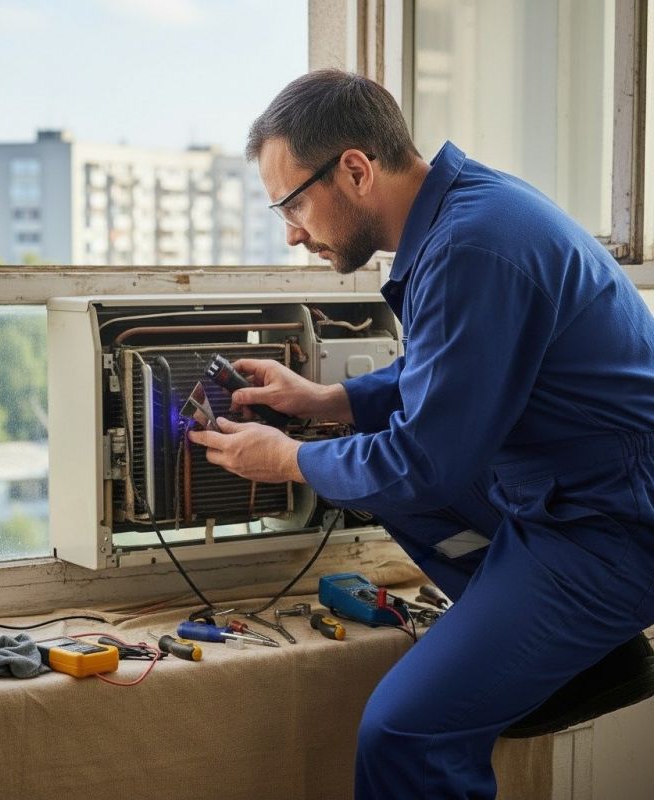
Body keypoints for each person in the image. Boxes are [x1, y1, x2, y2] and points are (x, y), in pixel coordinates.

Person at [188, 69, 654, 799]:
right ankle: (572, 656)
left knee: (405, 731)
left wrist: (291, 459)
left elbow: (427, 461)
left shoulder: (473, 247)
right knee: (380, 477)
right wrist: (332, 399)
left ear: (354, 169)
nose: (291, 232)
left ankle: (564, 644)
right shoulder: (467, 212)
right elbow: (453, 377)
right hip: (568, 492)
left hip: (612, 527)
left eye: (292, 203)